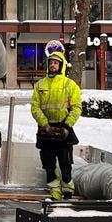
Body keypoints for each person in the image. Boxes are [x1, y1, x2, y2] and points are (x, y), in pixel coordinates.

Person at [31, 49, 81, 200]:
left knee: (65, 163)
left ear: (61, 66)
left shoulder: (70, 85)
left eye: (56, 63)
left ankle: (68, 189)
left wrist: (67, 126)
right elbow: (35, 107)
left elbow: (77, 108)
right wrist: (44, 124)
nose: (53, 65)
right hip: (46, 130)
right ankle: (55, 193)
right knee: (49, 165)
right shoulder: (40, 85)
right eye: (51, 62)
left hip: (64, 130)